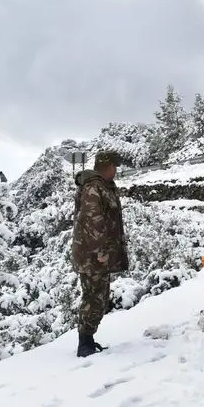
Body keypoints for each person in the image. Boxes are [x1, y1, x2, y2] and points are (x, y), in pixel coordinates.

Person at [71, 150, 129, 358]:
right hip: (92, 255)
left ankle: (88, 340)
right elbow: (93, 220)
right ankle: (84, 343)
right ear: (108, 165)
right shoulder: (94, 188)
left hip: (95, 254)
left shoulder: (102, 187)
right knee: (94, 297)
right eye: (115, 166)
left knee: (99, 297)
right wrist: (101, 250)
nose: (116, 170)